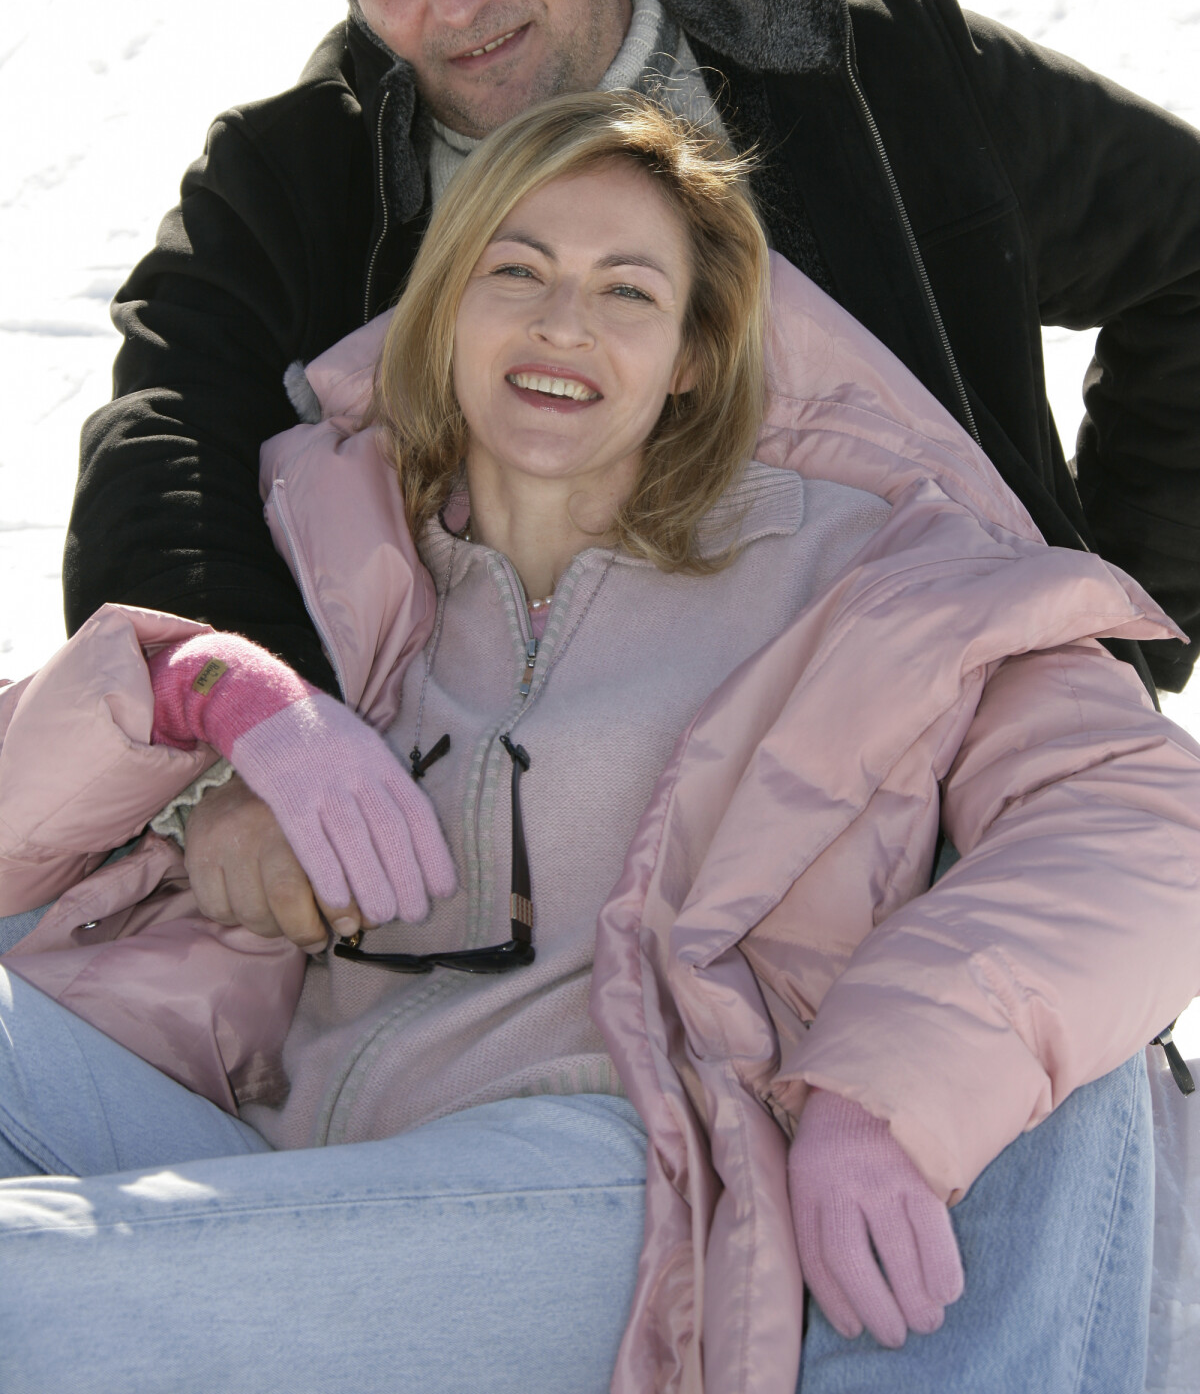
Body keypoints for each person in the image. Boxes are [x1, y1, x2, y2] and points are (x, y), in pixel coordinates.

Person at [2, 93, 1199, 1394]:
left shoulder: (868, 569)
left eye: (628, 291)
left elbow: (1136, 817)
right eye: (515, 269)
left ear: (692, 352)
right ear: (446, 304)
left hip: (613, 1173)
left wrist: (882, 1096)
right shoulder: (325, 539)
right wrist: (206, 694)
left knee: (38, 1294)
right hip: (271, 1149)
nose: (562, 322)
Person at [64, 0, 1200, 757]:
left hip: (937, 767)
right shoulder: (292, 178)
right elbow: (165, 442)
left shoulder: (883, 74)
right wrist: (267, 736)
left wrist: (1110, 613)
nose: (454, 0)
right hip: (529, 838)